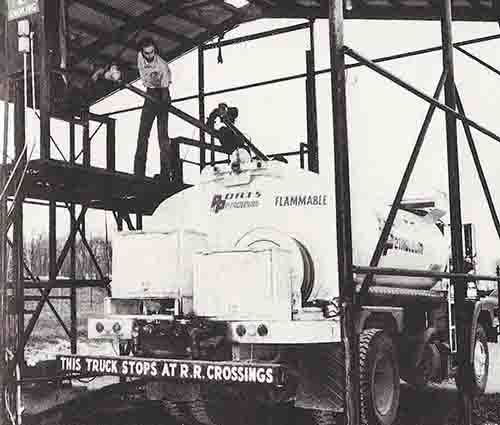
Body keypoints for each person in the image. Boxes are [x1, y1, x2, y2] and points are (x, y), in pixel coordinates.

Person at [134, 37, 175, 181]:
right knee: (143, 133)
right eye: (147, 53)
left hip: (162, 93)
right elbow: (143, 75)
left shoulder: (162, 66)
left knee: (162, 136)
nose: (149, 55)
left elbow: (164, 89)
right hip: (149, 93)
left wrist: (164, 103)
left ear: (155, 51)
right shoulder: (140, 57)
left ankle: (166, 172)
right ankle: (138, 171)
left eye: (152, 52)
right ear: (142, 52)